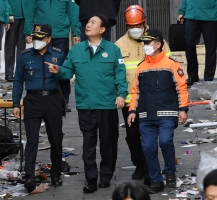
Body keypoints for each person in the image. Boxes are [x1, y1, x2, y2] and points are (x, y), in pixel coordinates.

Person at [48, 14, 128, 193]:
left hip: (107, 105)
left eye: (93, 23)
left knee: (109, 143)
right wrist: (58, 70)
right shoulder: (76, 50)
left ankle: (106, 176)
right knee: (88, 144)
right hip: (86, 106)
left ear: (102, 29)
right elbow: (68, 71)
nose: (88, 25)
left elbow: (120, 74)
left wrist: (121, 94)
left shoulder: (113, 50)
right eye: (88, 22)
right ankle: (91, 178)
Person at [127, 29, 189, 194]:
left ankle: (170, 173)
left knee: (165, 142)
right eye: (144, 43)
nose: (145, 46)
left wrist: (183, 109)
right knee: (148, 148)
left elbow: (181, 88)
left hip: (167, 114)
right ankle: (156, 181)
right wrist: (132, 110)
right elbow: (136, 92)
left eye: (148, 43)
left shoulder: (171, 64)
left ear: (158, 44)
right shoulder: (141, 67)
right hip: (146, 116)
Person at [115, 5, 171, 184]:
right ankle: (139, 164)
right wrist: (120, 95)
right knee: (132, 136)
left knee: (150, 136)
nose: (135, 29)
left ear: (144, 22)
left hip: (153, 100)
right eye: (131, 27)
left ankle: (149, 168)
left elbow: (169, 66)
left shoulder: (156, 40)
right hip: (131, 100)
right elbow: (116, 73)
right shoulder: (119, 45)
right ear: (126, 26)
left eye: (138, 25)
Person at [12, 23, 65, 192]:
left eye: (40, 38)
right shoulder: (24, 56)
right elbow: (18, 81)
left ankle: (56, 173)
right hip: (32, 101)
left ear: (48, 39)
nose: (37, 41)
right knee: (32, 138)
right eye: (34, 38)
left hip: (53, 100)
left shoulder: (58, 55)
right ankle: (29, 175)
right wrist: (16, 104)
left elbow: (66, 79)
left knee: (55, 138)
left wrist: (65, 101)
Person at [24, 0, 81, 112]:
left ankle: (64, 100)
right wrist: (28, 32)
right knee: (40, 66)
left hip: (61, 34)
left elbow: (73, 12)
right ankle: (41, 99)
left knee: (62, 67)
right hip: (41, 35)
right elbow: (29, 12)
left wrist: (76, 32)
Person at [177, 0, 217, 86]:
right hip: (192, 16)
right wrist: (182, 11)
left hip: (211, 17)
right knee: (189, 44)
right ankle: (193, 75)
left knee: (211, 47)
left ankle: (209, 78)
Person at [4, 0, 27, 82]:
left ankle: (20, 72)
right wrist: (8, 15)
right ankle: (9, 73)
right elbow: (5, 1)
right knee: (10, 46)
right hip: (13, 17)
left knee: (22, 48)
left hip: (24, 16)